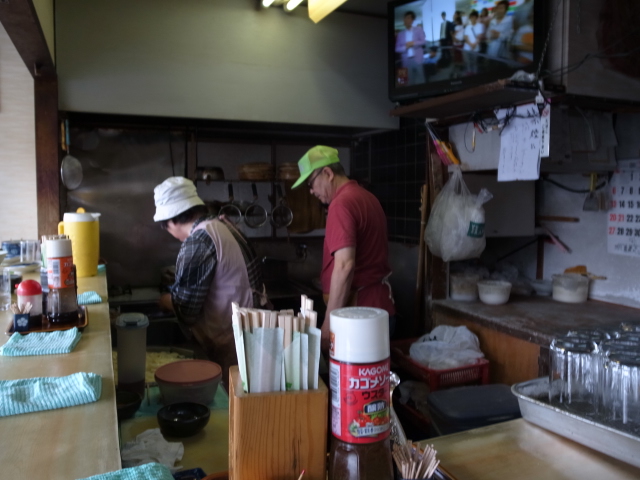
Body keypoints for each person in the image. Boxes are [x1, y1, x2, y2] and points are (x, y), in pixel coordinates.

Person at [153, 176, 265, 387]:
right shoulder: (223, 225)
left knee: (232, 408)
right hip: (253, 335)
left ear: (172, 220)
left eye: (165, 227)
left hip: (232, 345)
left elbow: (186, 309)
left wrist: (167, 300)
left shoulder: (198, 240)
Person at [291, 146, 395, 350]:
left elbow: (345, 265)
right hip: (376, 311)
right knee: (372, 379)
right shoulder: (367, 198)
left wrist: (329, 324)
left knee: (352, 380)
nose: (311, 191)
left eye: (311, 183)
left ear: (328, 173)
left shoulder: (341, 204)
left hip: (358, 318)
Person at [395, 10, 426, 86]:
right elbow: (397, 48)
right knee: (408, 81)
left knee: (421, 78)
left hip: (417, 58)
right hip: (406, 60)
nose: (405, 20)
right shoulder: (400, 34)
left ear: (412, 20)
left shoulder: (418, 30)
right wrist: (405, 47)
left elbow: (423, 41)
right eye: (405, 18)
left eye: (408, 18)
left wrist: (413, 43)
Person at [463, 10, 485, 74]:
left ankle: (474, 74)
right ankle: (469, 73)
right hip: (467, 48)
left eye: (474, 17)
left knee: (475, 62)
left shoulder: (480, 25)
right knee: (467, 62)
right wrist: (470, 44)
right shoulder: (468, 26)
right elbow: (465, 37)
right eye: (471, 17)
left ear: (476, 17)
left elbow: (480, 36)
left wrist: (474, 45)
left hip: (475, 48)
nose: (473, 18)